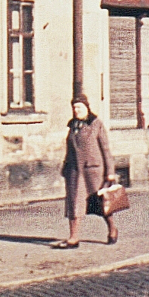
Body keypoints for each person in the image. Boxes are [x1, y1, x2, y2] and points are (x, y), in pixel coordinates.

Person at [56, 93, 117, 249]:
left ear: (87, 107)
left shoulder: (96, 124)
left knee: (101, 203)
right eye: (74, 107)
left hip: (94, 170)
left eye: (80, 107)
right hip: (75, 171)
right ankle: (73, 238)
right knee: (74, 202)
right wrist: (65, 166)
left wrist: (110, 171)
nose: (77, 110)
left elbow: (106, 149)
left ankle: (112, 228)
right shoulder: (72, 126)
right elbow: (70, 149)